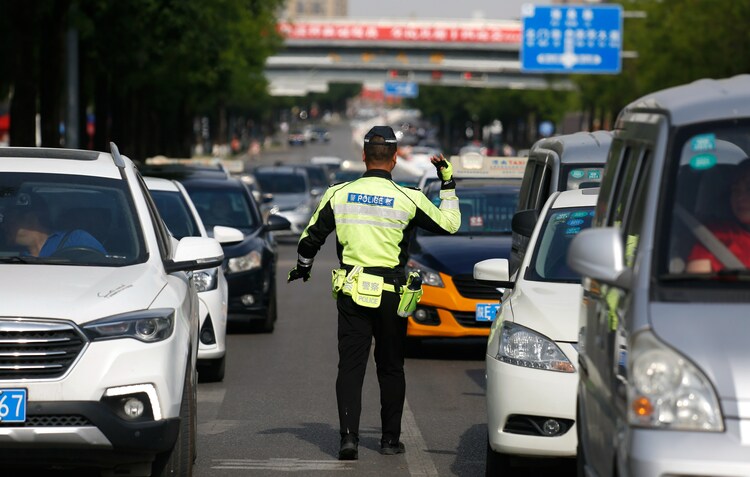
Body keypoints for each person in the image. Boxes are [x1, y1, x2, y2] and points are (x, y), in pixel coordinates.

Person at [287, 125, 460, 460]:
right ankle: (389, 441)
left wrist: (303, 266)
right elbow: (450, 224)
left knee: (351, 367)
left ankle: (348, 439)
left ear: (363, 156)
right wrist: (448, 184)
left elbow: (310, 237)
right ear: (395, 159)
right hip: (393, 296)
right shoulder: (410, 198)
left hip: (353, 292)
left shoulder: (338, 194)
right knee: (391, 367)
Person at [686, 158, 750, 272]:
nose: (740, 197)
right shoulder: (717, 235)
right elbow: (695, 284)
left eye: (749, 189)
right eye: (735, 190)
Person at [2, 195, 106, 258]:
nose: (3, 226)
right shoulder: (11, 260)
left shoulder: (76, 240)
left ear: (31, 219)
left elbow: (104, 274)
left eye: (9, 220)